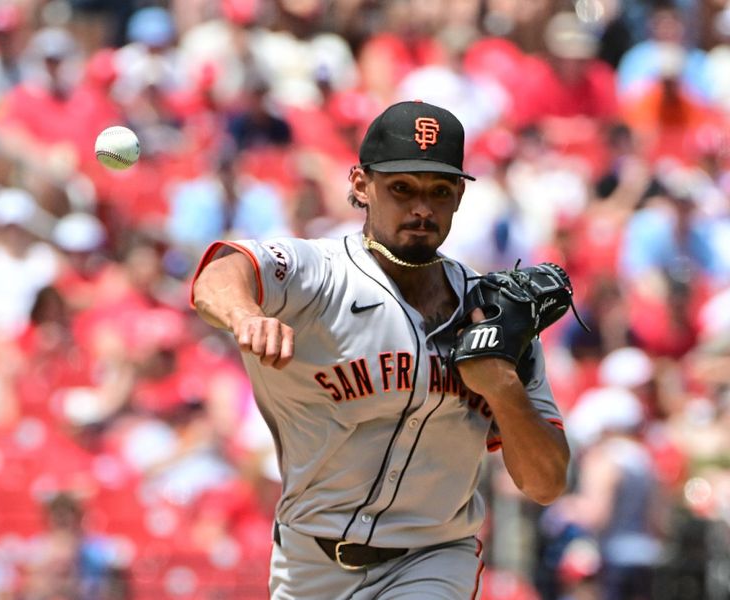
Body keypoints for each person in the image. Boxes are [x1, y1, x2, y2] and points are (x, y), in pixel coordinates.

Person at [190, 100, 570, 599]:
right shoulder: (320, 274)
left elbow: (546, 483)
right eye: (401, 188)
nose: (421, 208)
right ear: (360, 185)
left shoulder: (498, 316)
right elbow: (222, 272)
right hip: (309, 564)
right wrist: (246, 315)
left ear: (459, 195)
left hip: (434, 560)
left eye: (439, 191)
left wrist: (502, 387)